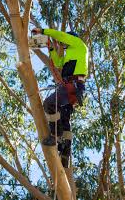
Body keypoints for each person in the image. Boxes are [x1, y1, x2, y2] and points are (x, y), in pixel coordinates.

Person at [31, 28, 88, 168]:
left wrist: (43, 31)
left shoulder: (79, 43)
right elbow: (57, 63)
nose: (64, 45)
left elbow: (61, 36)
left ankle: (55, 136)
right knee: (64, 117)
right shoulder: (71, 54)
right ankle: (65, 153)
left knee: (49, 104)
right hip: (74, 88)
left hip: (72, 85)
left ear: (71, 38)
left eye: (65, 42)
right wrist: (50, 47)